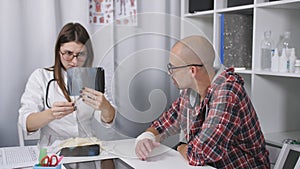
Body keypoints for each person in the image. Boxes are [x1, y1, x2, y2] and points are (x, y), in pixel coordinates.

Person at [135, 35, 270, 168]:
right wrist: (147, 137)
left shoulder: (227, 92)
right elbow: (163, 125)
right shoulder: (191, 91)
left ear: (192, 70)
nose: (170, 74)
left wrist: (180, 147)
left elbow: (198, 153)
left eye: (173, 68)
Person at [18, 22, 115, 169]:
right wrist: (51, 114)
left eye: (81, 54)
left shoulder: (93, 78)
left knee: (110, 163)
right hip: (51, 150)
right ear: (59, 51)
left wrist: (106, 106)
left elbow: (107, 120)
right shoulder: (41, 77)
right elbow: (27, 123)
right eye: (69, 53)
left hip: (86, 147)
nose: (75, 62)